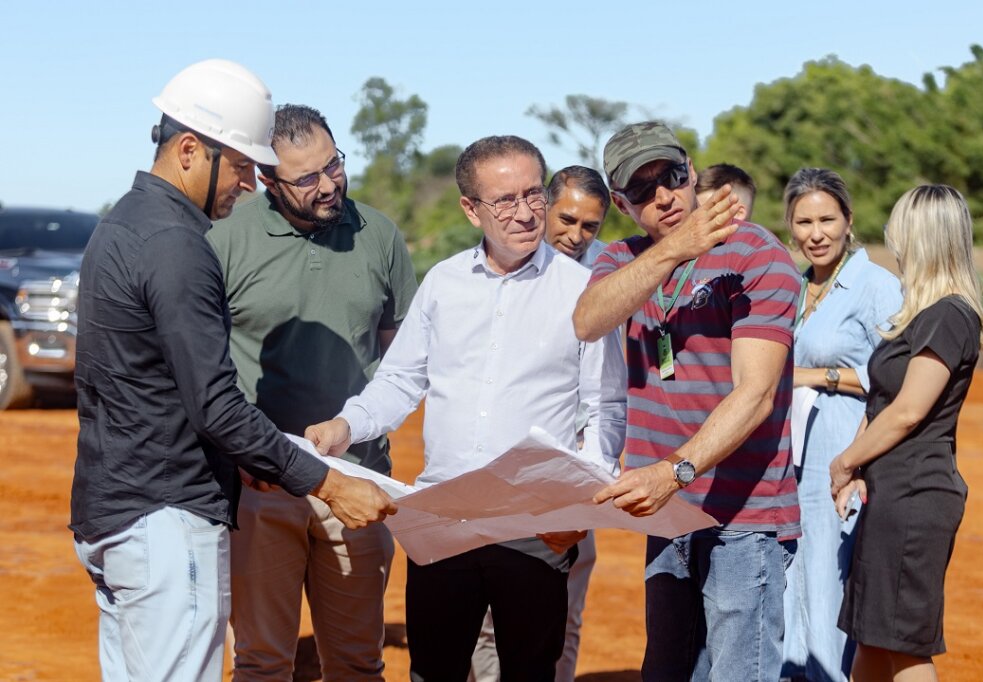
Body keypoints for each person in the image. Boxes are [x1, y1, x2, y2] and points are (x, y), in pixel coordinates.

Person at [69, 60, 395, 682]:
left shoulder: (120, 223)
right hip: (164, 519)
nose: (248, 184)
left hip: (113, 507)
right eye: (242, 165)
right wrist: (326, 483)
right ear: (191, 150)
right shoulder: (176, 243)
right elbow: (215, 404)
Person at [306, 135, 628, 682]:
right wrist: (345, 425)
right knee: (434, 671)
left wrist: (579, 508)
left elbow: (605, 409)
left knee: (529, 671)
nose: (526, 212)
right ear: (470, 208)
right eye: (505, 199)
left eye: (533, 194)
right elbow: (402, 380)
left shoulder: (585, 290)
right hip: (442, 523)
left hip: (534, 527)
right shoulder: (443, 283)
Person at [575, 121, 802, 681]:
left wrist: (671, 473)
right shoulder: (623, 260)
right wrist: (675, 248)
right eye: (643, 190)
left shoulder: (757, 255)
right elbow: (587, 320)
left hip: (742, 516)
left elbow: (755, 395)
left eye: (672, 177)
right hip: (669, 514)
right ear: (624, 206)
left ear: (692, 173)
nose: (664, 196)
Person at [207, 104, 417, 681]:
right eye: (306, 178)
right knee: (262, 663)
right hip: (259, 484)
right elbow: (204, 364)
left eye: (334, 166)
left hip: (358, 482)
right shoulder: (225, 238)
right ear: (268, 180)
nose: (329, 185)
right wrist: (241, 456)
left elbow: (401, 357)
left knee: (356, 664)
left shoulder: (379, 235)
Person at [830, 184, 983, 682]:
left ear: (920, 238)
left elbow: (908, 412)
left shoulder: (949, 315)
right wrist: (861, 469)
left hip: (916, 497)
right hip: (889, 493)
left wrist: (845, 462)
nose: (892, 242)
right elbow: (882, 402)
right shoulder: (920, 315)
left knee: (905, 647)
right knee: (874, 637)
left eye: (898, 231)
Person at [470, 164, 613, 682]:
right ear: (543, 207)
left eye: (590, 226)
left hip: (570, 478)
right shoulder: (500, 273)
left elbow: (607, 398)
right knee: (487, 620)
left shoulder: (602, 284)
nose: (575, 235)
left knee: (564, 614)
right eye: (566, 218)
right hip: (500, 472)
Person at [779, 168, 903, 682]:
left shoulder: (878, 285)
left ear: (849, 221)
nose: (816, 233)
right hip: (786, 463)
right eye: (803, 221)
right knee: (790, 589)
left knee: (832, 588)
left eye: (827, 219)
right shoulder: (790, 286)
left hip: (843, 462)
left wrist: (816, 375)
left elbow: (897, 378)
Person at [544, 164, 611, 267]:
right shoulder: (514, 256)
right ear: (544, 208)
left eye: (589, 226)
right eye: (567, 220)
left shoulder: (611, 269)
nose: (576, 238)